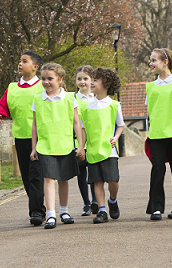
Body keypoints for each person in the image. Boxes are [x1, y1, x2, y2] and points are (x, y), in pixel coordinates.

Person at [0, 51, 46, 226]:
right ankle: (39, 209)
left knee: (36, 175)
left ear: (35, 67)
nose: (20, 64)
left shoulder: (43, 86)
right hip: (21, 138)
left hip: (41, 138)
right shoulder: (12, 87)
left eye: (25, 61)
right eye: (20, 61)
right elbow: (2, 106)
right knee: (28, 177)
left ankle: (37, 212)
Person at [30, 63, 85, 229]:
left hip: (65, 144)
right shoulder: (38, 98)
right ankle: (51, 215)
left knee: (63, 179)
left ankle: (64, 211)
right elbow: (34, 124)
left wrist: (80, 145)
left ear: (60, 80)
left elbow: (77, 123)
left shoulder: (70, 98)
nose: (46, 82)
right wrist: (34, 147)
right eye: (43, 78)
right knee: (48, 179)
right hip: (45, 145)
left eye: (50, 78)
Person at [145, 48, 172, 221]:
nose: (151, 63)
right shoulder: (150, 86)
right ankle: (156, 208)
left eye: (154, 60)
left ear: (165, 62)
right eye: (150, 60)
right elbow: (150, 112)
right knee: (157, 169)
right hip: (156, 134)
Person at [80, 68, 124, 224]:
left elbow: (120, 125)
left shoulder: (114, 105)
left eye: (96, 80)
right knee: (97, 182)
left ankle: (113, 200)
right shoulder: (85, 107)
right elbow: (83, 129)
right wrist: (81, 147)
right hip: (92, 150)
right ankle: (102, 210)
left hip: (109, 150)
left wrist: (116, 137)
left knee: (113, 180)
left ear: (105, 84)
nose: (92, 82)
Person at [74, 65, 98, 216]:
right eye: (79, 79)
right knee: (81, 173)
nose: (82, 82)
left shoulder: (97, 98)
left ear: (91, 80)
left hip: (94, 141)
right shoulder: (72, 98)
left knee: (94, 173)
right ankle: (86, 204)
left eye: (85, 78)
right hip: (78, 142)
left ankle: (96, 201)